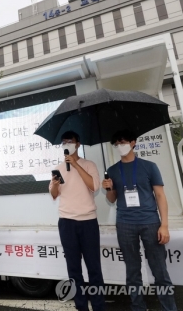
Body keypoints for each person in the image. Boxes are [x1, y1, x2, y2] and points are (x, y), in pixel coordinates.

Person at [102, 129, 177, 311]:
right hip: (125, 223)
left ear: (133, 142)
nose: (120, 146)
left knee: (159, 269)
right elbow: (112, 199)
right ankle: (138, 307)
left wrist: (164, 225)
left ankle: (169, 308)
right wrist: (109, 189)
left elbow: (160, 196)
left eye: (123, 142)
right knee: (133, 270)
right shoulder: (112, 171)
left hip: (150, 222)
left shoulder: (149, 166)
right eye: (117, 144)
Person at [49, 130, 105, 311]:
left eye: (70, 141)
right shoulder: (58, 168)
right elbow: (54, 195)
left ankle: (98, 307)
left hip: (88, 222)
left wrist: (76, 165)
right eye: (64, 142)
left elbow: (95, 186)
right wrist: (55, 186)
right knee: (74, 270)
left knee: (94, 268)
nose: (67, 144)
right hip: (67, 223)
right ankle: (81, 307)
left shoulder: (89, 164)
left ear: (78, 144)